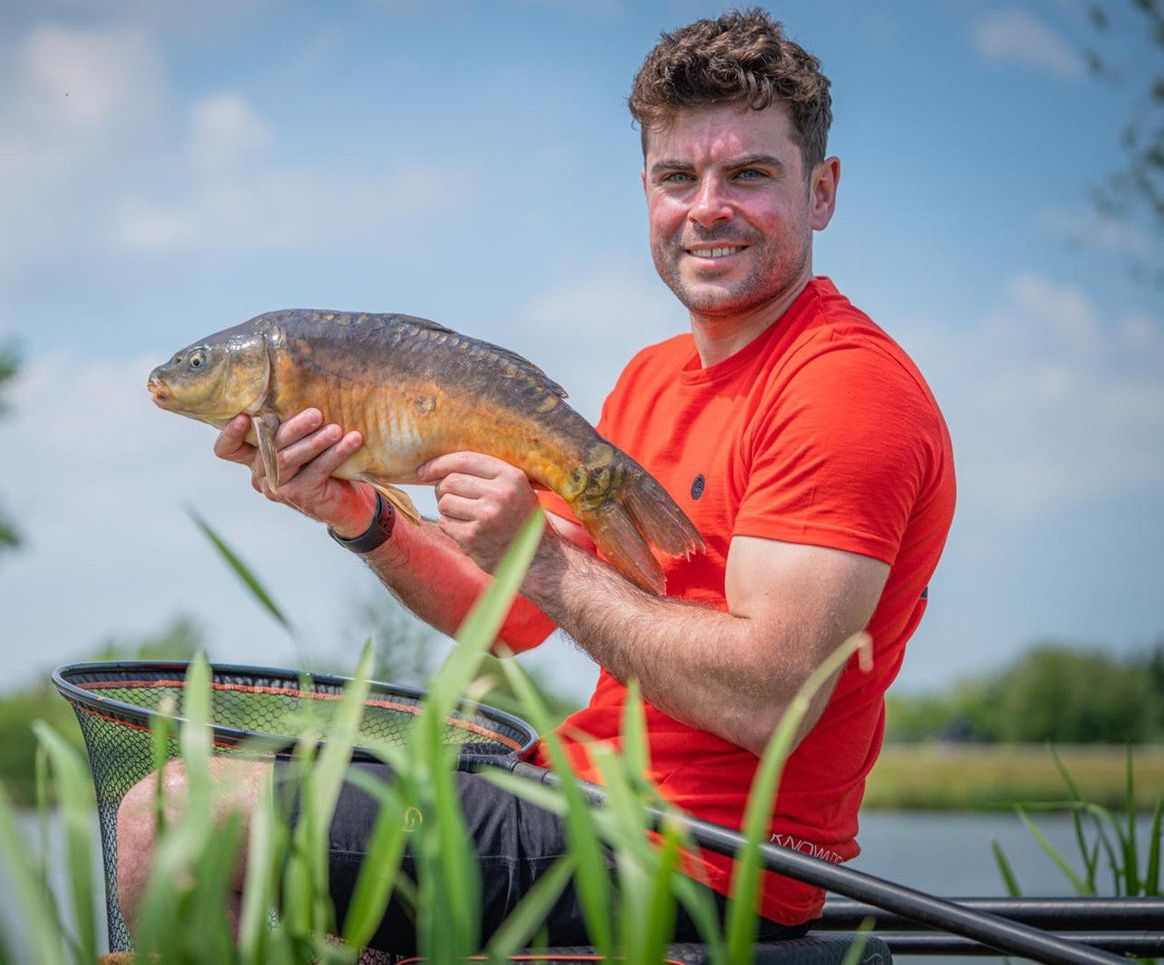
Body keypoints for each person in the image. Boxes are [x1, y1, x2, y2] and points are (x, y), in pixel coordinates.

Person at [115, 7, 955, 952]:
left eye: (748, 174)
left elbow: (771, 702)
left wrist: (549, 566)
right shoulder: (649, 376)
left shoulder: (842, 387)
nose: (705, 206)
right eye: (677, 177)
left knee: (171, 813)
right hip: (578, 794)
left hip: (700, 855)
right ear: (646, 189)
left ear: (821, 191)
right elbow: (508, 616)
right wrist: (361, 516)